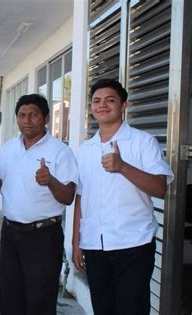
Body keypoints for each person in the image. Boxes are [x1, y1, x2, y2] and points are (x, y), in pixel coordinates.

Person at [72, 79, 174, 315]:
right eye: (97, 101)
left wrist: (123, 167)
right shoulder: (86, 149)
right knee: (103, 309)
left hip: (133, 245)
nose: (102, 105)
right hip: (95, 246)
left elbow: (160, 188)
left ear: (124, 105)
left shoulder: (143, 141)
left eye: (110, 100)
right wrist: (76, 243)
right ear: (91, 107)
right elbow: (81, 197)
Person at [0, 94, 78, 315]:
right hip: (11, 234)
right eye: (22, 115)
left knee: (40, 301)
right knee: (10, 299)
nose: (27, 120)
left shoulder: (60, 152)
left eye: (33, 115)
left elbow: (68, 196)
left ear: (46, 118)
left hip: (43, 236)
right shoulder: (9, 148)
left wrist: (50, 181)